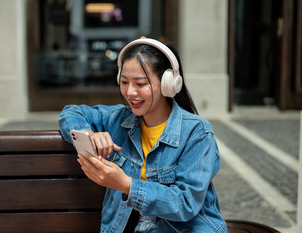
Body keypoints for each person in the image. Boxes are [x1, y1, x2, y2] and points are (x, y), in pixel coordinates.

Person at [58, 38, 227, 233]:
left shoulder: (196, 132)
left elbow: (185, 204)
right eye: (124, 82)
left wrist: (125, 184)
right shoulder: (119, 119)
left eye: (140, 83)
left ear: (168, 84)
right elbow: (71, 112)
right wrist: (88, 133)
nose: (130, 92)